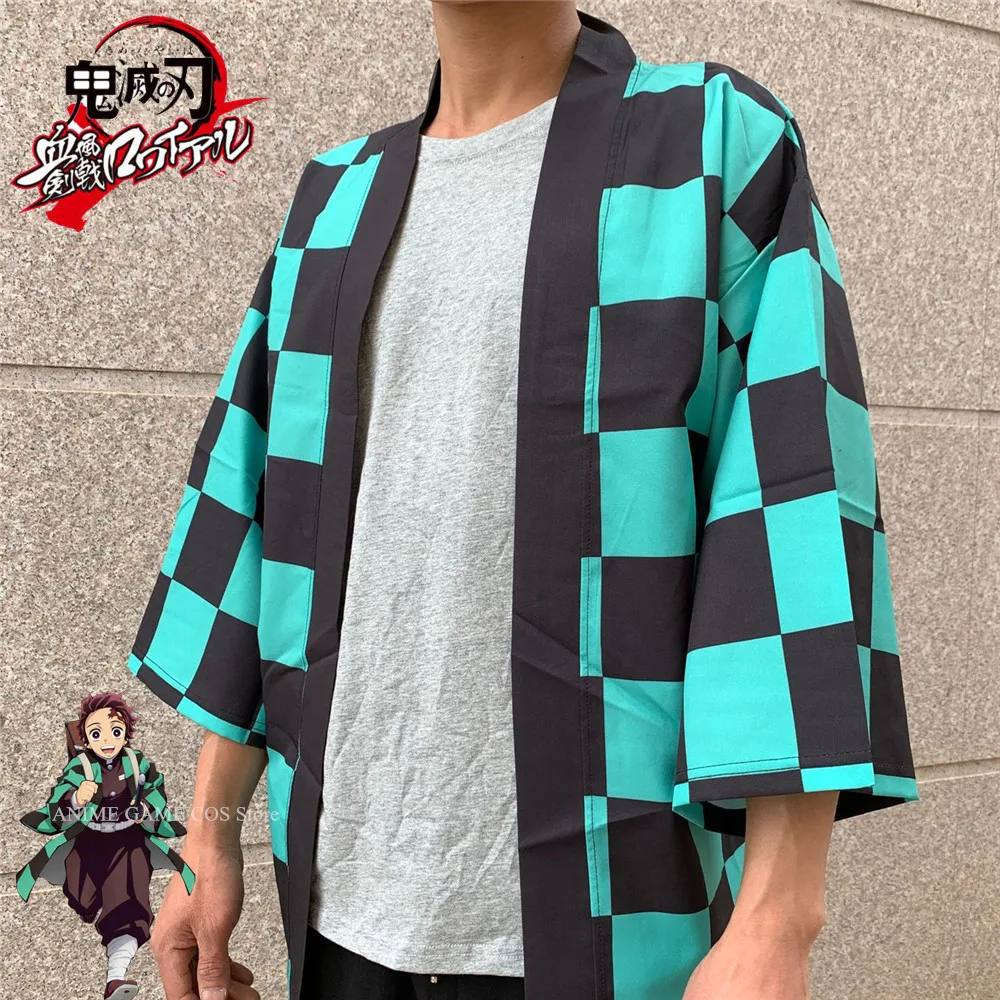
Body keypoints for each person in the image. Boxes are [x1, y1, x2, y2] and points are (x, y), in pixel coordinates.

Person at [128, 3, 919, 999]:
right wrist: (211, 838)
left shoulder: (707, 143)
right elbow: (257, 524)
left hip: (601, 920)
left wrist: (777, 919)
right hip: (337, 910)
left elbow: (790, 511)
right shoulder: (334, 197)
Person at [16, 692, 194, 1000]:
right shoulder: (80, 768)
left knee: (128, 905)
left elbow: (155, 793)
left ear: (126, 732)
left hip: (128, 842)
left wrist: (145, 810)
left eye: (116, 730)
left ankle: (116, 977)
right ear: (85, 737)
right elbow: (57, 806)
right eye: (97, 733)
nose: (108, 740)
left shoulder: (137, 764)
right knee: (84, 899)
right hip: (89, 843)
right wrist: (75, 798)